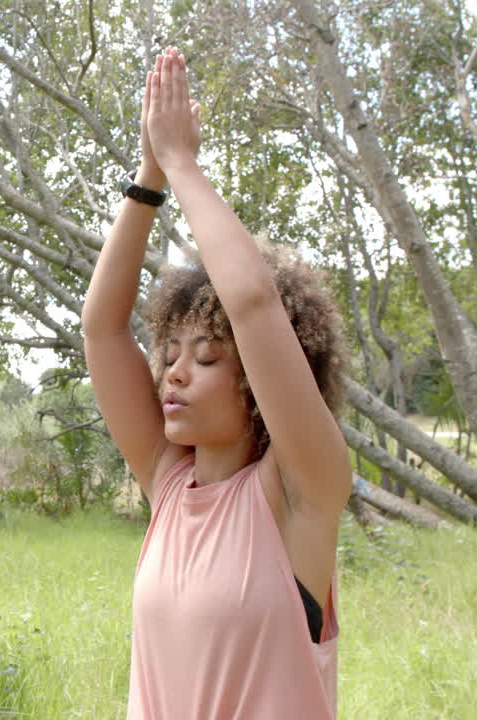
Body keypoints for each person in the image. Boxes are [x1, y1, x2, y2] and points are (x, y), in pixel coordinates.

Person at [81, 49, 350, 719]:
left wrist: (181, 163)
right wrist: (147, 177)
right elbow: (102, 330)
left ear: (259, 380)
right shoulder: (168, 482)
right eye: (170, 352)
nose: (173, 371)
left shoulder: (301, 493)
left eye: (205, 358)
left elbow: (253, 304)